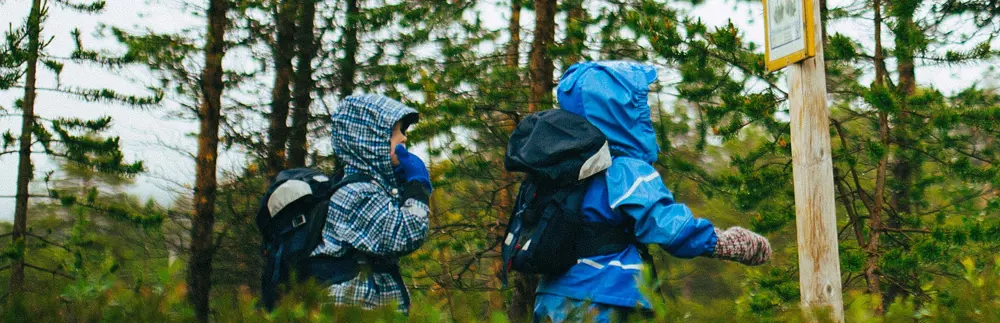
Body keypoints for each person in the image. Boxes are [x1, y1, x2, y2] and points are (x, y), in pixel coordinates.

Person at [532, 61, 773, 322]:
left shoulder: (557, 167)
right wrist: (724, 242)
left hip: (551, 296)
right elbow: (669, 227)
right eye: (639, 104)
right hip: (605, 295)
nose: (644, 111)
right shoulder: (624, 169)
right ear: (620, 112)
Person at [309, 94, 432, 314]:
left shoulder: (373, 188)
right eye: (394, 133)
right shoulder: (357, 193)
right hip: (352, 308)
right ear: (367, 139)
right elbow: (406, 233)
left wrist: (402, 187)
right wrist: (417, 186)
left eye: (403, 131)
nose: (403, 139)